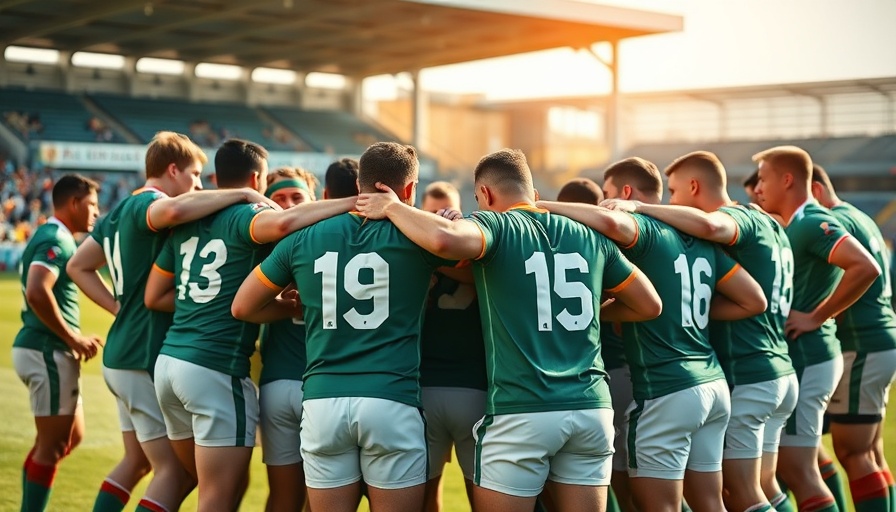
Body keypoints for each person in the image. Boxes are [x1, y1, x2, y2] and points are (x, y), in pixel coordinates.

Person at [355, 148, 664, 512]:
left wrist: (392, 206)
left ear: (485, 195)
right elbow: (649, 305)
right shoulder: (588, 235)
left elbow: (444, 240)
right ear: (533, 193)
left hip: (523, 407)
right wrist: (591, 314)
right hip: (589, 407)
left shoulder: (497, 226)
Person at [233, 142, 453, 512]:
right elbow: (465, 256)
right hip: (390, 398)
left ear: (358, 186)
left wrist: (289, 308)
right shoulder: (418, 237)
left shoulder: (304, 237)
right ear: (410, 190)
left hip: (323, 402)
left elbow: (242, 306)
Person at [540, 156, 768, 512]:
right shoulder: (697, 239)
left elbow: (606, 220)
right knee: (711, 504)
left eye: (607, 193)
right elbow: (754, 300)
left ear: (625, 193)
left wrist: (535, 205)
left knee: (657, 506)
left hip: (666, 389)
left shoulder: (645, 229)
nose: (603, 199)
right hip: (713, 386)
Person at [66, 131, 275, 512]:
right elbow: (175, 212)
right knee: (175, 474)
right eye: (194, 175)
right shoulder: (154, 202)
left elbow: (78, 265)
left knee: (138, 462)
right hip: (148, 349)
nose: (197, 185)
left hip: (122, 350)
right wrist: (243, 194)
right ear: (173, 169)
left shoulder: (114, 213)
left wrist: (119, 307)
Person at [143, 139, 353, 512]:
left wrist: (220, 300)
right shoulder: (247, 214)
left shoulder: (190, 219)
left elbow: (156, 296)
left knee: (193, 480)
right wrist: (356, 201)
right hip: (217, 367)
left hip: (169, 364)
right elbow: (285, 222)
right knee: (218, 496)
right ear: (257, 179)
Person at [606, 151, 799, 512]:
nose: (671, 201)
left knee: (744, 491)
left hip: (747, 370)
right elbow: (753, 299)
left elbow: (710, 226)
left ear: (694, 187)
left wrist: (641, 208)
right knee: (750, 490)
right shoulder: (769, 224)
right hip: (759, 371)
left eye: (675, 192)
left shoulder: (730, 220)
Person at [753, 145, 881, 512]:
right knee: (794, 469)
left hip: (811, 356)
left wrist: (817, 316)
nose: (758, 189)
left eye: (763, 179)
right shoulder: (795, 224)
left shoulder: (811, 221)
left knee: (799, 470)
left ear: (787, 179)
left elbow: (865, 267)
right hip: (805, 357)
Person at [13, 174, 102, 512]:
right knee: (51, 447)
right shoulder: (57, 239)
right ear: (74, 203)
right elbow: (38, 289)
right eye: (92, 204)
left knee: (67, 438)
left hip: (44, 348)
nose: (95, 212)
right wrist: (72, 338)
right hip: (46, 349)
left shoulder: (58, 237)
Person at [811, 164, 896, 512]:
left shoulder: (835, 222)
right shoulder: (858, 215)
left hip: (862, 343)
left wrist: (819, 315)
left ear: (814, 190)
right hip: (877, 340)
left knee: (853, 451)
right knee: (869, 451)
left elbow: (855, 276)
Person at [415, 181, 486, 512]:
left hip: (469, 388)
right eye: (432, 213)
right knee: (431, 491)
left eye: (445, 213)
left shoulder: (414, 253)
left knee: (482, 493)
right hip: (432, 388)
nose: (438, 220)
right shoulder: (476, 254)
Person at [254, 166, 315, 512]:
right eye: (278, 198)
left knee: (298, 497)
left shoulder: (262, 249)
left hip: (305, 387)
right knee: (293, 497)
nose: (288, 205)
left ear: (314, 200)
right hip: (293, 384)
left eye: (296, 197)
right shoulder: (329, 241)